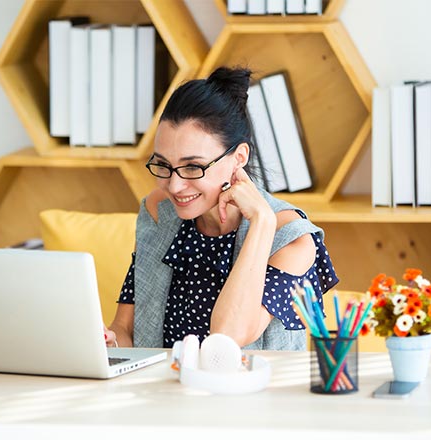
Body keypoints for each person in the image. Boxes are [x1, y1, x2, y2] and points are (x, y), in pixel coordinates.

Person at [103, 66, 339, 351]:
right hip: (164, 391)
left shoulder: (291, 239)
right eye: (164, 165)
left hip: (250, 394)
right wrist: (109, 341)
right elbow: (126, 328)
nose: (175, 186)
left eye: (193, 167)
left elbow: (229, 335)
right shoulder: (159, 212)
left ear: (238, 157)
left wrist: (262, 221)